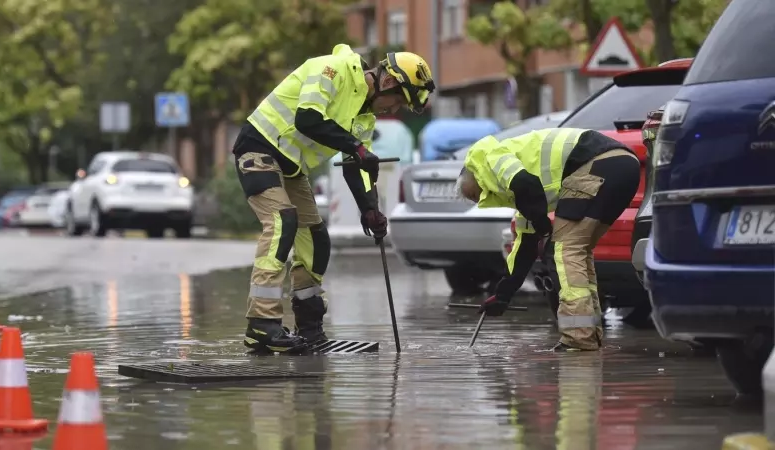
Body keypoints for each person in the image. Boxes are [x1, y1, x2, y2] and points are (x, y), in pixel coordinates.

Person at [232, 43, 435, 353]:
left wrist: (370, 210)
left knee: (315, 240)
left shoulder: (365, 117)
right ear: (389, 82)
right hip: (259, 147)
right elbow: (308, 119)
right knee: (282, 221)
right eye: (398, 102)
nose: (394, 110)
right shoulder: (332, 69)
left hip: (290, 166)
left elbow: (356, 166)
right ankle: (261, 323)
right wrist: (357, 148)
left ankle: (309, 327)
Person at [455, 128, 640, 351]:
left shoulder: (484, 156)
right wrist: (503, 294)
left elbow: (525, 183)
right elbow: (525, 249)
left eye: (474, 195)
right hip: (624, 166)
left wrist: (542, 223)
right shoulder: (524, 200)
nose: (480, 199)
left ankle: (578, 339)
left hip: (596, 164)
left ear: (472, 175)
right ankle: (589, 335)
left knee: (565, 250)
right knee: (578, 251)